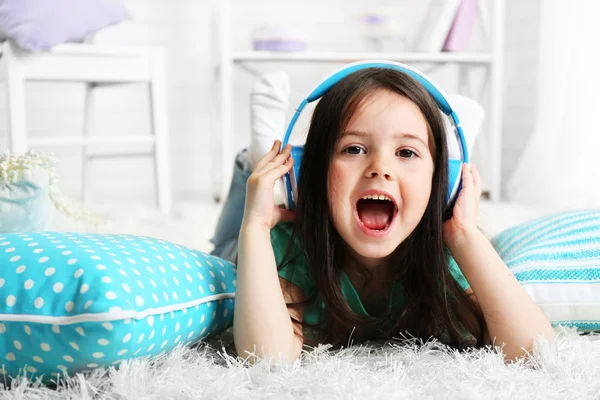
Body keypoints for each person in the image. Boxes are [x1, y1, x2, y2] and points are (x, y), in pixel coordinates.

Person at [210, 67, 555, 364]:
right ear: (312, 174)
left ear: (443, 184)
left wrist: (464, 233)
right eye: (354, 149)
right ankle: (259, 158)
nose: (381, 169)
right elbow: (265, 360)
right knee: (231, 239)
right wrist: (254, 228)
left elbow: (535, 351)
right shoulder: (289, 244)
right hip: (249, 236)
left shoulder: (443, 253)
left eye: (406, 152)